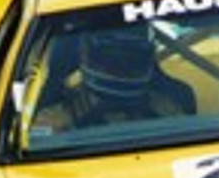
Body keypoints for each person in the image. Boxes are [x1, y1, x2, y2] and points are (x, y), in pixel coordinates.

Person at [66, 24, 195, 126]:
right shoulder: (59, 119)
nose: (120, 68)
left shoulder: (172, 108)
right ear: (82, 53)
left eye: (131, 58)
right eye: (111, 59)